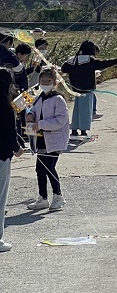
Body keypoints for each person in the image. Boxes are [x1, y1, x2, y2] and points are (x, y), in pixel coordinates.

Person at [26, 68, 69, 212]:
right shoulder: (39, 97)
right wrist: (30, 115)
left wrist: (41, 124)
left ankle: (58, 196)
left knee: (49, 167)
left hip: (55, 139)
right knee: (40, 169)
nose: (45, 83)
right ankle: (42, 197)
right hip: (41, 139)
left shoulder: (58, 99)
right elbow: (32, 109)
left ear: (55, 82)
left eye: (48, 81)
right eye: (43, 81)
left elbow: (61, 120)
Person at [61, 42, 117, 139]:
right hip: (86, 89)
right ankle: (83, 131)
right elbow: (102, 64)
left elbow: (64, 68)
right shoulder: (89, 60)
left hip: (75, 89)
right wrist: (115, 61)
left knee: (76, 110)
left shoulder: (72, 60)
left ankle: (74, 130)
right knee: (86, 111)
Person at [0, 69, 25, 251]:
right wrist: (17, 148)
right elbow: (10, 133)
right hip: (1, 156)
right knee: (0, 198)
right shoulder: (6, 107)